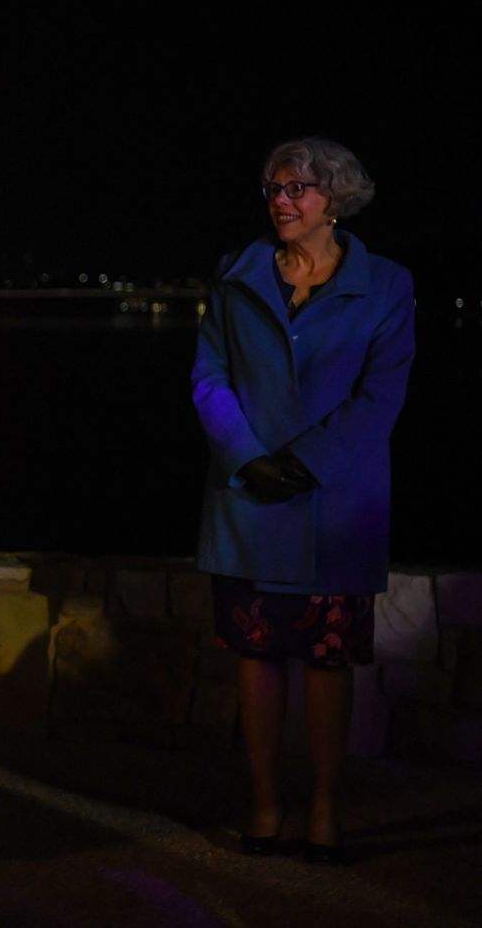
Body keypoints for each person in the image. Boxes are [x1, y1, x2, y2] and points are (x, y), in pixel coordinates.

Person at [191, 137, 415, 864]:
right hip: (250, 500)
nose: (281, 200)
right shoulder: (236, 274)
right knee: (256, 656)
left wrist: (306, 462)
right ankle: (263, 803)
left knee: (325, 661)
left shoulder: (387, 286)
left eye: (298, 188)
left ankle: (322, 806)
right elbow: (208, 377)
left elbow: (381, 395)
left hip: (334, 505)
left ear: (337, 198)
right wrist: (249, 459)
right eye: (273, 188)